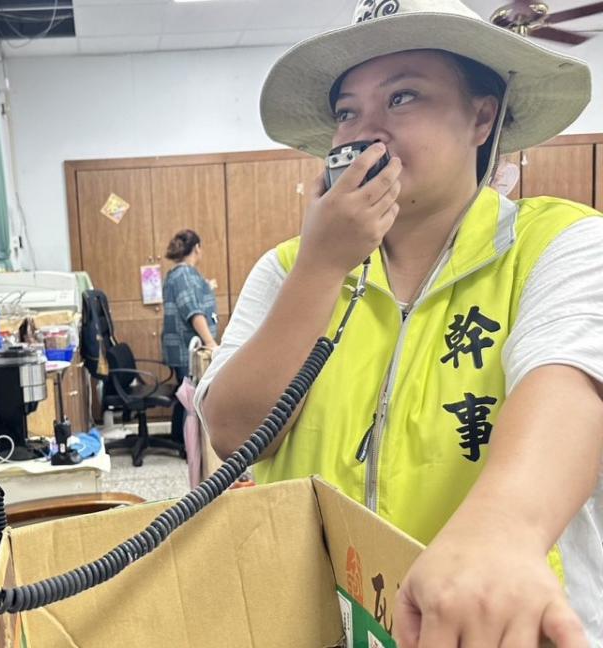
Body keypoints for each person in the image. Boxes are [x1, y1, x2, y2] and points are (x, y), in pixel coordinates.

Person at [196, 0, 603, 646]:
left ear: (481, 117)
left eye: (403, 98)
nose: (364, 132)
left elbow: (572, 383)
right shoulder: (286, 270)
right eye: (347, 111)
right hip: (321, 625)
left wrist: (504, 529)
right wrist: (323, 266)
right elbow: (234, 429)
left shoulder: (563, 244)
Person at [162, 229, 218, 442]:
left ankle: (179, 438)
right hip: (187, 347)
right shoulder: (184, 274)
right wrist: (211, 342)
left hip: (182, 347)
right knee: (191, 396)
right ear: (196, 248)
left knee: (184, 393)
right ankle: (187, 442)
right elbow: (193, 312)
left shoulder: (179, 273)